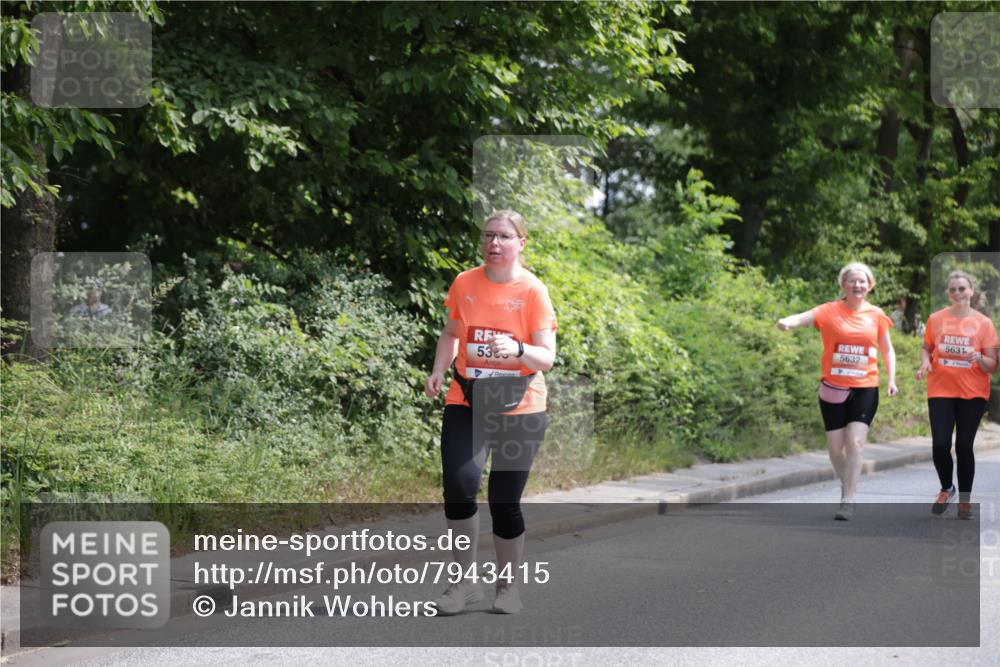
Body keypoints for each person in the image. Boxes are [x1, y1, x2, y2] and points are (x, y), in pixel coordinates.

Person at [425, 209, 557, 614]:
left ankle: (507, 588)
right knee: (460, 488)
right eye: (488, 236)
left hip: (520, 404)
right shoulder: (465, 282)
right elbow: (451, 334)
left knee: (504, 501)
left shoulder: (533, 290)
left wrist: (518, 350)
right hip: (466, 399)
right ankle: (463, 584)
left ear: (521, 242)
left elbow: (547, 357)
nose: (494, 244)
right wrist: (437, 371)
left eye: (503, 236)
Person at [777, 262, 898, 520]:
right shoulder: (830, 310)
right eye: (852, 281)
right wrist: (788, 322)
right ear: (843, 285)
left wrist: (891, 379)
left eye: (862, 281)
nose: (858, 285)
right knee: (835, 450)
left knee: (855, 442)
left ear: (870, 285)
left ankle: (848, 499)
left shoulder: (876, 314)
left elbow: (887, 349)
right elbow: (803, 317)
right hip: (833, 387)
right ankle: (848, 484)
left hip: (865, 386)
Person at [916, 270, 998, 520]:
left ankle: (965, 501)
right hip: (940, 389)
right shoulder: (936, 319)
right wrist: (924, 363)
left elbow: (992, 365)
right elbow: (926, 348)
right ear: (948, 293)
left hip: (972, 393)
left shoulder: (984, 323)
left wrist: (979, 358)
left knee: (964, 446)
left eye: (962, 288)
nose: (958, 293)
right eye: (953, 289)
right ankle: (946, 487)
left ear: (971, 291)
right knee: (940, 445)